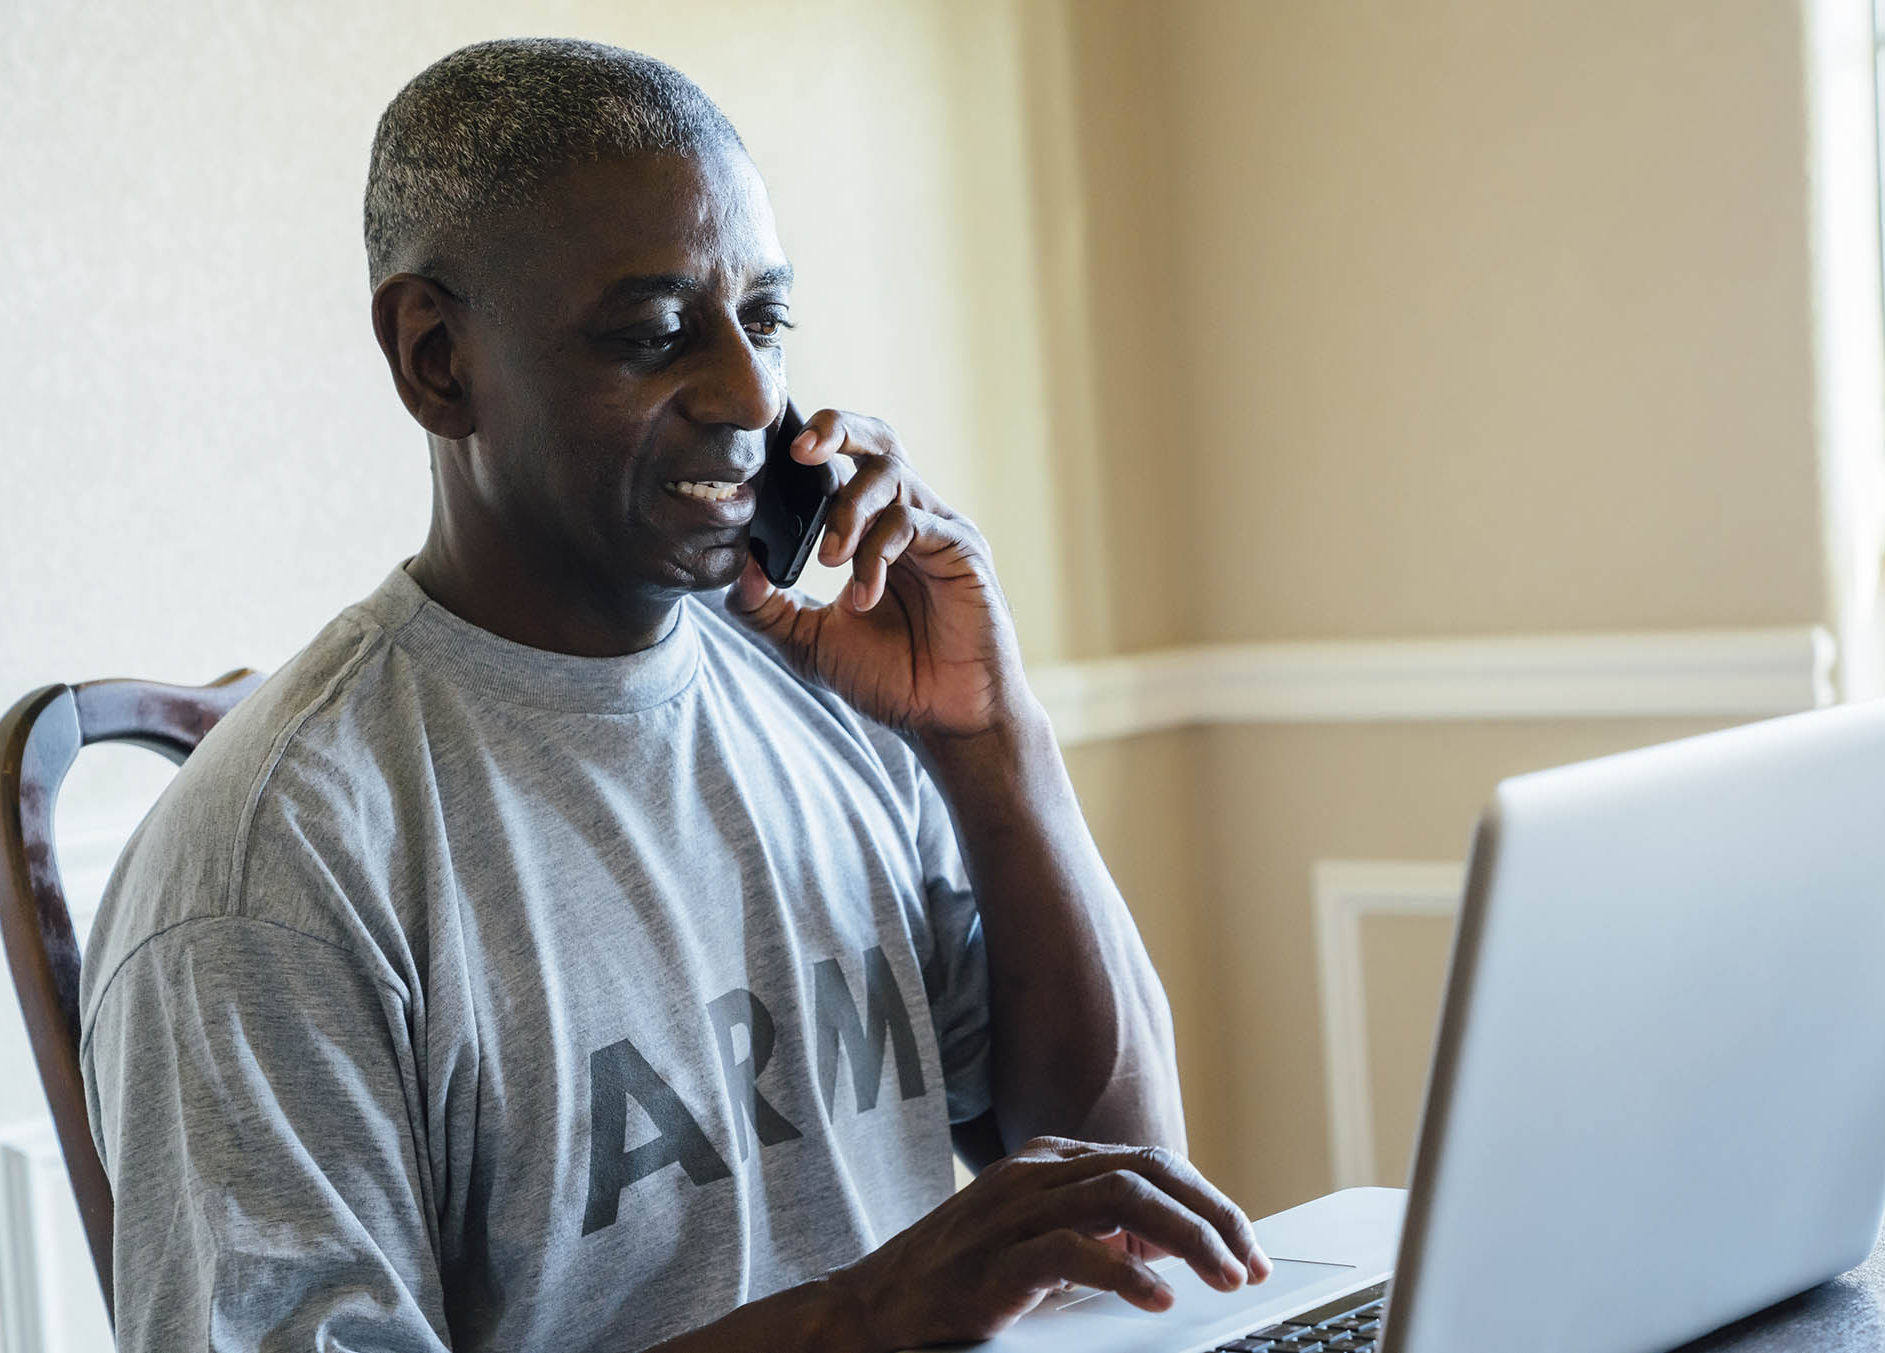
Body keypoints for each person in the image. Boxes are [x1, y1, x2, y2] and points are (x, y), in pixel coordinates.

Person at [78, 37, 1268, 1353]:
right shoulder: (275, 866)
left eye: (763, 321)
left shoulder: (839, 708)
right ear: (436, 358)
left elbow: (1121, 1194)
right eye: (654, 334)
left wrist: (988, 742)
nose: (754, 394)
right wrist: (864, 1317)